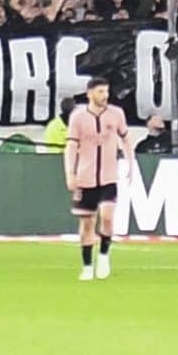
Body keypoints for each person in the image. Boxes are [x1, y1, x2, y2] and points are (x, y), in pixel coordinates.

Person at [63, 78, 156, 281]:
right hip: (85, 178)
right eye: (100, 92)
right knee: (87, 224)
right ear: (89, 94)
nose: (105, 96)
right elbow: (71, 146)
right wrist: (70, 173)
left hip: (108, 176)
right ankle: (87, 266)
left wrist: (131, 163)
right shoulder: (78, 117)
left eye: (106, 91)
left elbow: (126, 138)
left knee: (107, 216)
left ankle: (104, 254)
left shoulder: (116, 114)